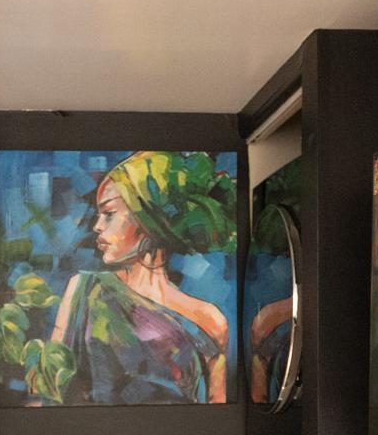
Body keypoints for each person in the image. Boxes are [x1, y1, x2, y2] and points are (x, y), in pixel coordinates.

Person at [38, 151, 234, 405]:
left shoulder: (210, 321)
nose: (97, 225)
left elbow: (215, 418)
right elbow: (53, 387)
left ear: (148, 220)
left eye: (108, 214)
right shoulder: (83, 289)